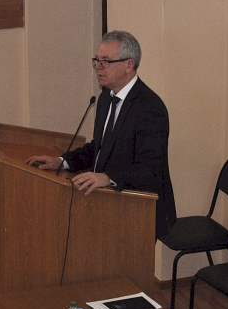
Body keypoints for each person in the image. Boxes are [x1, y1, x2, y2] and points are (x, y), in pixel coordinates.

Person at [25, 30, 176, 239]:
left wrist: (107, 177)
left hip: (137, 212)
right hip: (103, 207)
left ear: (129, 65)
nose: (98, 66)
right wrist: (62, 161)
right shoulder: (106, 99)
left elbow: (149, 169)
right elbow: (100, 148)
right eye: (97, 60)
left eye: (106, 61)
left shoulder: (150, 108)